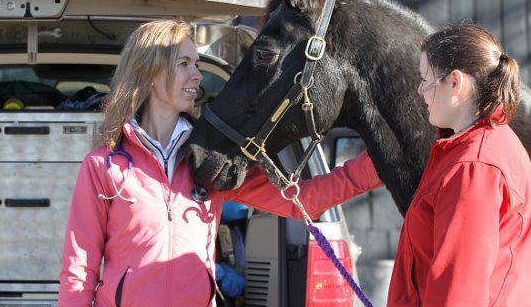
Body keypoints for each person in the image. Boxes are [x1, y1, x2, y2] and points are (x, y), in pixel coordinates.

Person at [58, 20, 381, 307]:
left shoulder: (213, 160)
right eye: (184, 63)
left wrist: (382, 159)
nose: (197, 75)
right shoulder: (103, 166)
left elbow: (303, 201)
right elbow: (79, 268)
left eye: (196, 63)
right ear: (151, 73)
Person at [387, 23, 531, 307]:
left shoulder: (474, 167)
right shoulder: (481, 144)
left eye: (425, 79)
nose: (420, 90)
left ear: (455, 82)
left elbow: (459, 291)